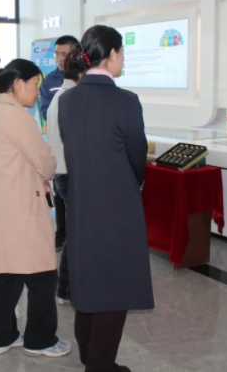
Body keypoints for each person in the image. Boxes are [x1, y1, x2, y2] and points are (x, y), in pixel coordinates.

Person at [59, 25, 154, 372]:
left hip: (80, 204)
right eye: (122, 52)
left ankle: (90, 356)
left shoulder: (67, 100)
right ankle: (99, 366)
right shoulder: (125, 101)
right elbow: (137, 157)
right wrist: (131, 184)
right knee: (116, 287)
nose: (124, 58)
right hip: (116, 207)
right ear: (111, 54)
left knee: (87, 283)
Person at [0, 59, 71, 358]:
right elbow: (45, 161)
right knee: (42, 274)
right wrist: (49, 167)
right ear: (18, 85)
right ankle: (40, 340)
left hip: (3, 204)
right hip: (19, 207)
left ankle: (2, 335)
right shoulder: (18, 118)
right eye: (34, 84)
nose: (37, 91)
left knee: (8, 272)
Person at [46, 49, 87, 305]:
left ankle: (67, 288)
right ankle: (66, 289)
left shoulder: (60, 96)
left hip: (62, 173)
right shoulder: (72, 98)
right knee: (77, 234)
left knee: (74, 232)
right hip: (71, 174)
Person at [39, 35, 80, 251]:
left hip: (71, 158)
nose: (60, 58)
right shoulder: (50, 81)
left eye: (64, 54)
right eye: (57, 54)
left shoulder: (81, 83)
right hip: (58, 151)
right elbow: (46, 112)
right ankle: (61, 234)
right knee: (62, 198)